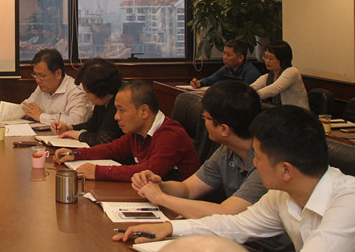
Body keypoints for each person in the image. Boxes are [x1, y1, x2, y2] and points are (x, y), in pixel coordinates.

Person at [114, 105, 355, 252]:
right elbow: (235, 225)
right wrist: (169, 227)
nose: (254, 163)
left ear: (286, 170)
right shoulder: (281, 195)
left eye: (258, 157)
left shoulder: (348, 202)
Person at [131, 80, 266, 218]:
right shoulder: (226, 151)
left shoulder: (266, 161)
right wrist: (160, 185)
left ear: (224, 129)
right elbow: (188, 189)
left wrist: (161, 198)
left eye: (206, 117)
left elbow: (226, 212)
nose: (203, 121)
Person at [54, 80, 199, 181]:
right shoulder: (138, 132)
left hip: (177, 208)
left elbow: (150, 171)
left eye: (121, 110)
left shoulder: (170, 134)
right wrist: (75, 154)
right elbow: (113, 149)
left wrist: (98, 171)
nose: (116, 117)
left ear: (144, 111)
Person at [0, 48, 91, 126]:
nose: (38, 80)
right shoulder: (43, 87)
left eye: (42, 76)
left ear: (58, 74)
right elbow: (26, 108)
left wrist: (41, 116)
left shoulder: (76, 91)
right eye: (36, 75)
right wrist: (5, 113)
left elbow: (77, 121)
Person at [51, 58, 123, 145]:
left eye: (87, 91)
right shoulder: (102, 102)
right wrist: (69, 128)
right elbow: (92, 125)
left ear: (99, 90)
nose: (85, 94)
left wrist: (80, 135)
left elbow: (104, 140)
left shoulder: (118, 105)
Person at [250, 41, 309, 109]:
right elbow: (252, 87)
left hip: (297, 113)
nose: (267, 61)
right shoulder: (268, 76)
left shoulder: (292, 72)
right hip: (281, 111)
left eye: (271, 58)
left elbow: (274, 89)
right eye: (265, 57)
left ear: (283, 59)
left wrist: (251, 96)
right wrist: (245, 93)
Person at [190, 40, 260, 88]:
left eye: (228, 55)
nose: (224, 57)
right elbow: (210, 80)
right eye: (224, 53)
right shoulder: (227, 68)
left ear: (240, 58)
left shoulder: (251, 73)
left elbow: (246, 95)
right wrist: (200, 83)